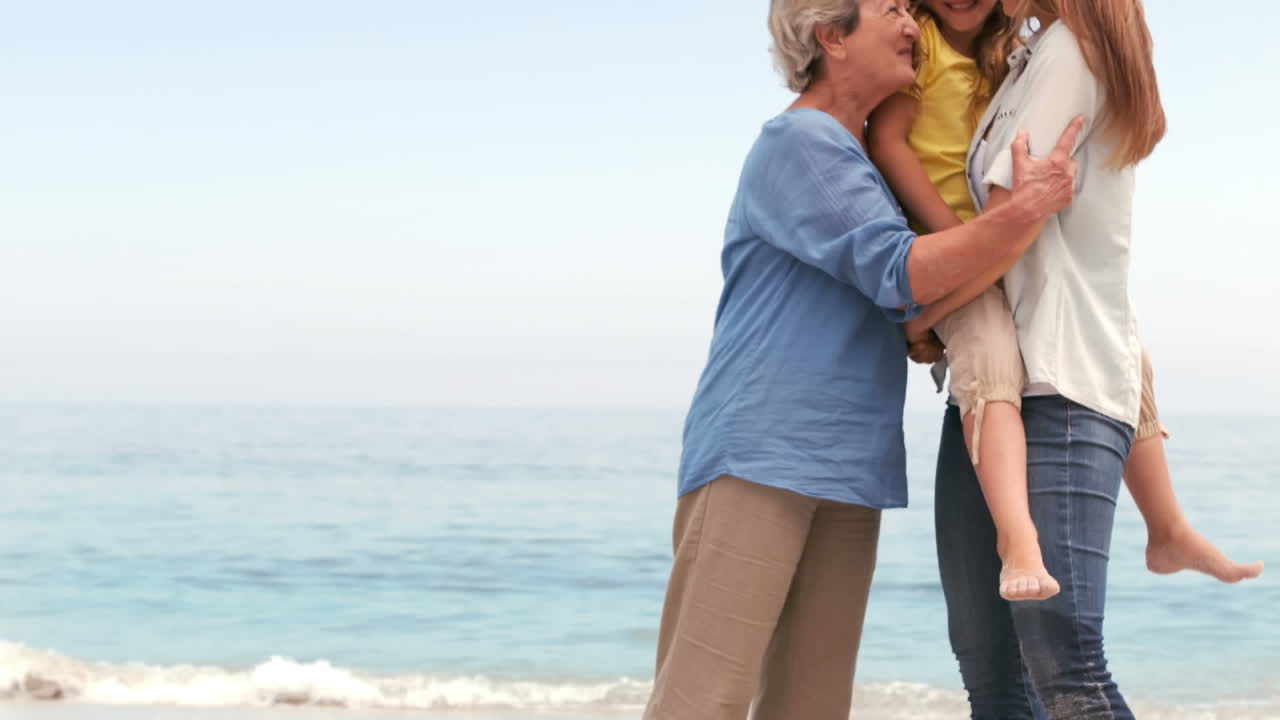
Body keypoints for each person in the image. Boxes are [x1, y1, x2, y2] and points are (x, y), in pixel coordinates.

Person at [641, 0, 1084, 718]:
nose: (913, 25)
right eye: (891, 10)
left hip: (848, 466)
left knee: (811, 706)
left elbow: (911, 307)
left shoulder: (867, 168)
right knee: (700, 703)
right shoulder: (801, 141)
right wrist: (1021, 213)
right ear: (832, 36)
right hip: (763, 452)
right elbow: (899, 270)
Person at [923, 1, 1257, 716]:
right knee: (994, 678)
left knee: (1067, 671)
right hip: (994, 392)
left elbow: (1005, 228)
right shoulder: (1033, 58)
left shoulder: (1071, 55)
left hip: (1060, 388)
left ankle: (1172, 532)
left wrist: (917, 320)